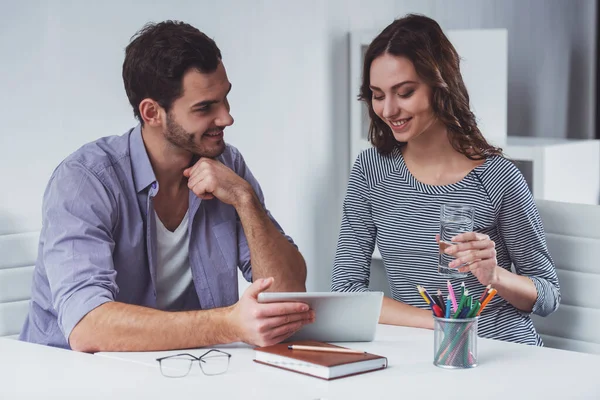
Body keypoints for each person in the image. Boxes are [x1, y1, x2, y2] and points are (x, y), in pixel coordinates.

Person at [19, 21, 313, 352]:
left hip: (178, 369)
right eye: (205, 107)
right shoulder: (85, 181)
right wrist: (230, 324)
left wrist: (246, 200)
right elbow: (88, 326)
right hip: (67, 376)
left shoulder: (227, 167)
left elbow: (287, 297)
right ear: (152, 113)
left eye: (225, 99)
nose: (226, 118)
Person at [331, 14, 560, 345]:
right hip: (427, 352)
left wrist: (495, 276)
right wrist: (443, 322)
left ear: (440, 85)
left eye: (405, 92)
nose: (389, 109)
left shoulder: (498, 177)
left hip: (504, 351)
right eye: (378, 95)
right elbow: (346, 291)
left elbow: (548, 294)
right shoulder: (370, 172)